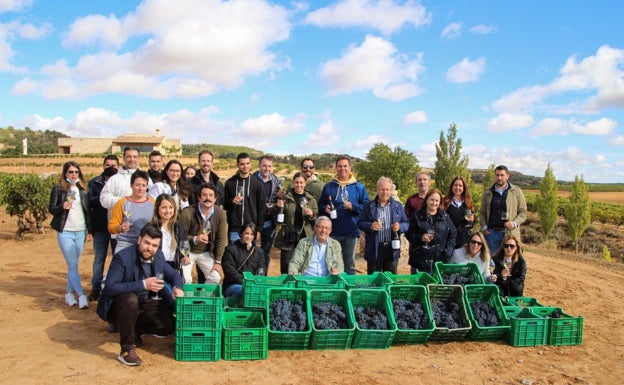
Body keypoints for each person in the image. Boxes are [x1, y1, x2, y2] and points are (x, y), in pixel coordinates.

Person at [96, 223, 184, 366]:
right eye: (147, 243)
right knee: (130, 300)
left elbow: (174, 275)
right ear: (139, 240)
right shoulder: (122, 258)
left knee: (167, 325)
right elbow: (110, 288)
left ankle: (134, 330)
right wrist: (143, 284)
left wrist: (177, 287)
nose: (150, 248)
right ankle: (127, 349)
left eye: (154, 245)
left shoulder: (159, 256)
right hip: (118, 306)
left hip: (144, 302)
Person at [49, 161, 93, 309]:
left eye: (76, 172)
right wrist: (63, 206)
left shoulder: (83, 190)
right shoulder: (59, 189)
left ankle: (69, 294)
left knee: (72, 265)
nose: (74, 174)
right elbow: (52, 209)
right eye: (70, 172)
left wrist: (90, 230)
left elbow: (87, 212)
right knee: (73, 265)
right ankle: (81, 295)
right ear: (65, 174)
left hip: (80, 231)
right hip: (65, 231)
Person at [318, 156, 370, 275]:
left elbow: (366, 208)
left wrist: (353, 207)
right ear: (336, 168)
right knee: (330, 263)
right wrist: (324, 208)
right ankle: (332, 290)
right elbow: (320, 205)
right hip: (332, 232)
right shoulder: (329, 186)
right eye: (340, 166)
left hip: (351, 232)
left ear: (350, 168)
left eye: (345, 166)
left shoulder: (359, 187)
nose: (343, 169)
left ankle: (349, 289)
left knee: (349, 264)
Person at [358, 176, 409, 274]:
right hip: (375, 248)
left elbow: (406, 223)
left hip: (391, 248)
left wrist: (400, 227)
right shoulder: (368, 206)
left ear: (391, 190)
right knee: (374, 279)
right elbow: (360, 223)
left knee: (390, 279)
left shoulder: (398, 206)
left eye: (387, 189)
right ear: (377, 190)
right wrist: (370, 225)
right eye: (382, 189)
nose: (385, 192)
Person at [177, 183, 227, 284]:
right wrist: (194, 239)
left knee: (215, 277)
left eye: (211, 195)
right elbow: (179, 236)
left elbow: (221, 239)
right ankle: (188, 299)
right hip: (187, 252)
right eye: (204, 195)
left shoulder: (220, 214)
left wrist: (218, 261)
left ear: (215, 198)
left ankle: (202, 298)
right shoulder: (187, 213)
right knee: (186, 279)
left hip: (206, 252)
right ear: (199, 198)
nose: (207, 198)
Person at [87, 154, 119, 301]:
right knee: (99, 259)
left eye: (114, 165)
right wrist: (105, 195)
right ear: (103, 166)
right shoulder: (95, 183)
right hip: (100, 227)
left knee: (116, 258)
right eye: (108, 165)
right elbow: (89, 202)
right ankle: (95, 288)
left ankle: (111, 287)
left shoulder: (121, 182)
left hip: (116, 227)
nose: (111, 168)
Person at [274, 172, 318, 274]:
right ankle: (286, 289)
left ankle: (301, 289)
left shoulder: (311, 200)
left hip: (305, 237)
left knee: (304, 267)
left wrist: (311, 215)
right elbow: (278, 219)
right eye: (296, 182)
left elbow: (316, 222)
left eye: (301, 183)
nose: (299, 185)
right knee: (286, 267)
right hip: (288, 237)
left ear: (305, 183)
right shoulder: (285, 198)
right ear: (293, 183)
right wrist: (279, 207)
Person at [406, 188, 457, 274]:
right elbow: (408, 234)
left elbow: (453, 234)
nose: (434, 203)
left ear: (440, 202)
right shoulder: (417, 216)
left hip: (439, 260)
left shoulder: (445, 217)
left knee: (436, 287)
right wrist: (421, 238)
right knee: (420, 286)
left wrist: (448, 251)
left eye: (437, 201)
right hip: (420, 260)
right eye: (432, 200)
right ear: (426, 200)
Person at [480, 165, 528, 255]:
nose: (499, 178)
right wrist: (484, 227)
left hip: (510, 235)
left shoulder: (516, 191)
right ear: (494, 176)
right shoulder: (488, 192)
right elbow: (482, 213)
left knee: (511, 263)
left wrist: (514, 223)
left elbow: (523, 212)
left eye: (502, 175)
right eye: (497, 175)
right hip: (492, 234)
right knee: (493, 264)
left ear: (507, 176)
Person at [108, 170, 155, 253]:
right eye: (137, 185)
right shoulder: (122, 203)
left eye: (143, 185)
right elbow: (112, 227)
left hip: (147, 244)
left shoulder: (153, 203)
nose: (140, 188)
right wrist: (120, 228)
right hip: (126, 243)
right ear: (131, 185)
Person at [224, 152, 266, 243]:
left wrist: (259, 229)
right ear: (238, 165)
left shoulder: (258, 184)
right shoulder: (230, 183)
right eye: (242, 164)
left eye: (247, 163)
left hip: (250, 229)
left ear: (250, 164)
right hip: (234, 229)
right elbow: (224, 205)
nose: (245, 166)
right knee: (233, 255)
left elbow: (262, 208)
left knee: (249, 256)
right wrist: (232, 201)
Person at [222, 223, 265, 299]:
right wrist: (246, 283)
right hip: (233, 285)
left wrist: (256, 282)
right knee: (243, 291)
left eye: (252, 234)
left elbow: (261, 271)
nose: (249, 236)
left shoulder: (259, 252)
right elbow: (230, 272)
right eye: (246, 233)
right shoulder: (230, 249)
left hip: (252, 286)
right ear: (241, 234)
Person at [252, 155, 281, 267]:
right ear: (259, 166)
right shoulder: (252, 179)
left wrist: (280, 199)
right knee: (251, 250)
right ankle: (251, 276)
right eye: (264, 166)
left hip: (269, 222)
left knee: (266, 252)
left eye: (269, 166)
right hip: (253, 221)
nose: (266, 169)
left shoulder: (276, 181)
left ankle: (263, 276)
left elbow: (278, 201)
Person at [151, 194, 187, 275]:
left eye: (171, 208)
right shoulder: (151, 228)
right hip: (156, 266)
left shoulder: (179, 228)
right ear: (157, 209)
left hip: (174, 266)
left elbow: (184, 248)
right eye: (164, 208)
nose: (168, 211)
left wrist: (183, 258)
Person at [444, 176, 476, 249]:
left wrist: (472, 220)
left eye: (460, 186)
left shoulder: (468, 202)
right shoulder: (445, 202)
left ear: (464, 188)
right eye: (455, 185)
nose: (457, 187)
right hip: (450, 240)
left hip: (465, 240)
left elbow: (472, 221)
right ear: (451, 187)